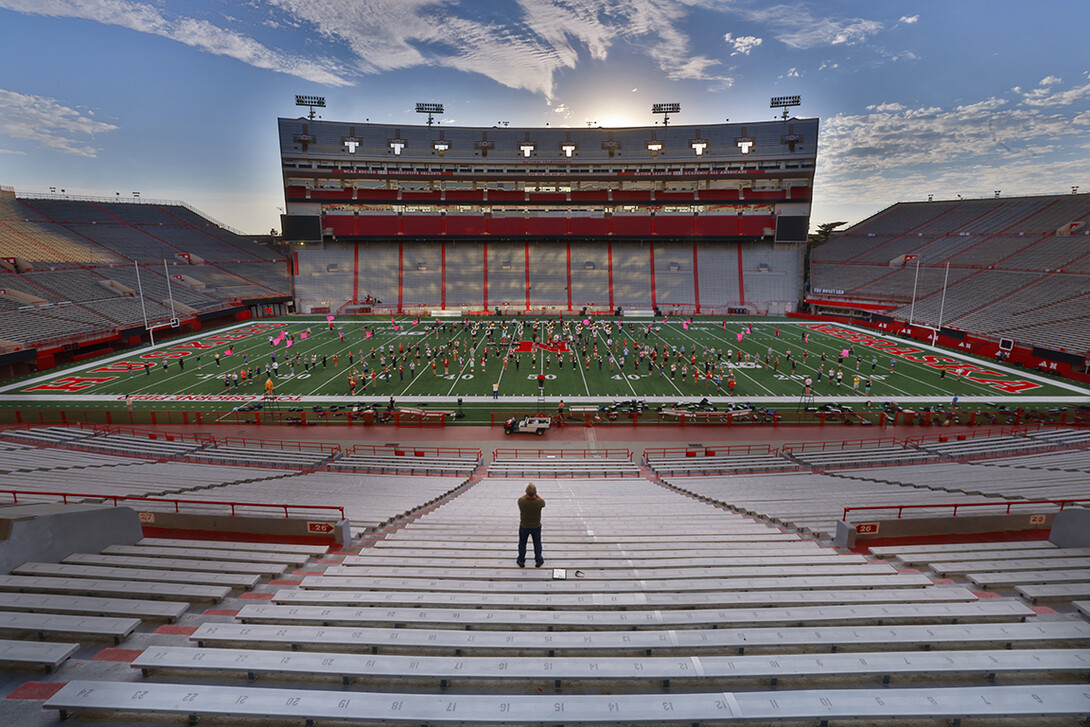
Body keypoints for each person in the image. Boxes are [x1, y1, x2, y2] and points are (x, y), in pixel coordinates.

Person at [517, 483, 545, 568]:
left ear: (526, 492)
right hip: (536, 526)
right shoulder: (539, 502)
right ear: (535, 492)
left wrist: (528, 492)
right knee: (537, 543)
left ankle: (521, 560)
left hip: (524, 526)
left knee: (522, 543)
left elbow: (523, 497)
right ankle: (538, 560)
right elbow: (543, 502)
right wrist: (535, 494)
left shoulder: (521, 501)